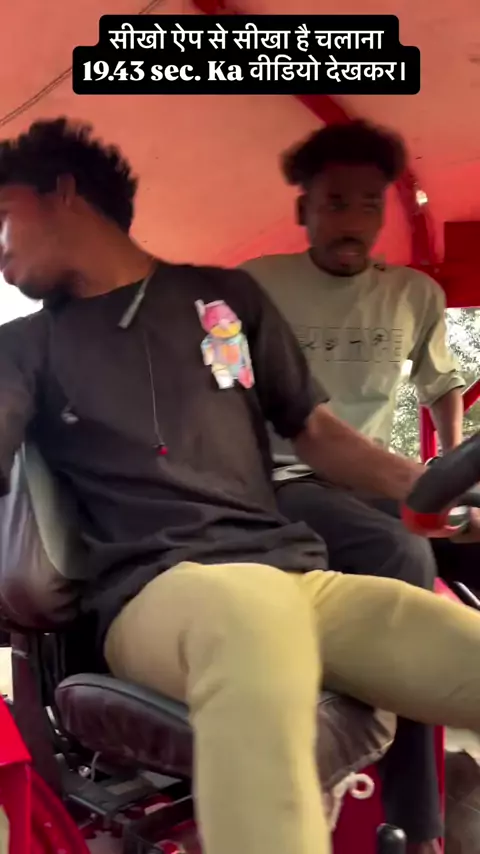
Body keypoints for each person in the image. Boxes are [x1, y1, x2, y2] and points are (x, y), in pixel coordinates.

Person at [1, 119, 480, 854]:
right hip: (158, 593)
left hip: (297, 579)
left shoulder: (225, 297)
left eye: (4, 217)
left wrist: (432, 491)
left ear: (62, 195)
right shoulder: (23, 348)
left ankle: (420, 828)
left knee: (442, 633)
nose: (0, 249)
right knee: (251, 610)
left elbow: (316, 432)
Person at [240, 120, 479, 852]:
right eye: (334, 202)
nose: (352, 219)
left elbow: (441, 382)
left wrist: (452, 467)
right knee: (402, 554)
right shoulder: (255, 285)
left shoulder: (413, 294)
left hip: (375, 473)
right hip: (285, 479)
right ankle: (416, 821)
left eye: (369, 203)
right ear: (304, 210)